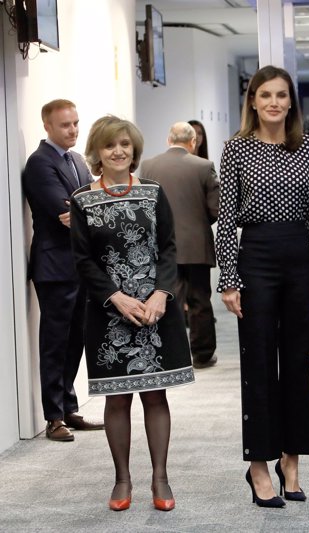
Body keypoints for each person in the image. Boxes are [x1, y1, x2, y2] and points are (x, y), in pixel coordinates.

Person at [216, 65, 309, 508]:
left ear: (291, 102)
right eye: (265, 94)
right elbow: (226, 218)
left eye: (281, 95)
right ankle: (258, 466)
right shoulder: (236, 148)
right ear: (252, 100)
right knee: (260, 365)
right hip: (257, 259)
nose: (274, 102)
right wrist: (228, 278)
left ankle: (292, 461)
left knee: (297, 366)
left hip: (300, 258)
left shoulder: (307, 147)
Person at [70, 115, 194, 512]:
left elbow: (169, 247)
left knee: (156, 396)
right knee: (118, 400)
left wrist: (161, 294)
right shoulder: (82, 199)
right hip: (109, 315)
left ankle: (161, 477)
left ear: (134, 149)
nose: (118, 151)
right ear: (97, 152)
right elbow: (83, 260)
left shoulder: (153, 192)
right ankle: (122, 478)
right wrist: (116, 298)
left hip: (157, 312)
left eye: (124, 144)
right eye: (110, 145)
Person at [21, 99, 103, 442]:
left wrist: (85, 209)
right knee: (55, 342)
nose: (73, 130)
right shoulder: (40, 163)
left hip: (80, 265)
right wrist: (88, 209)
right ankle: (53, 417)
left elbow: (89, 204)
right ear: (48, 127)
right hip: (54, 266)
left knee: (76, 340)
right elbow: (63, 212)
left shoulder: (77, 160)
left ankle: (69, 408)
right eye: (65, 125)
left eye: (75, 123)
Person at [139, 122, 220, 369]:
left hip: (162, 246)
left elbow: (145, 207)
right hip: (196, 245)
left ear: (169, 140)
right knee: (200, 301)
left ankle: (170, 353)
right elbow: (215, 209)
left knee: (166, 299)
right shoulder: (204, 166)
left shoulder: (148, 166)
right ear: (193, 142)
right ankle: (202, 354)